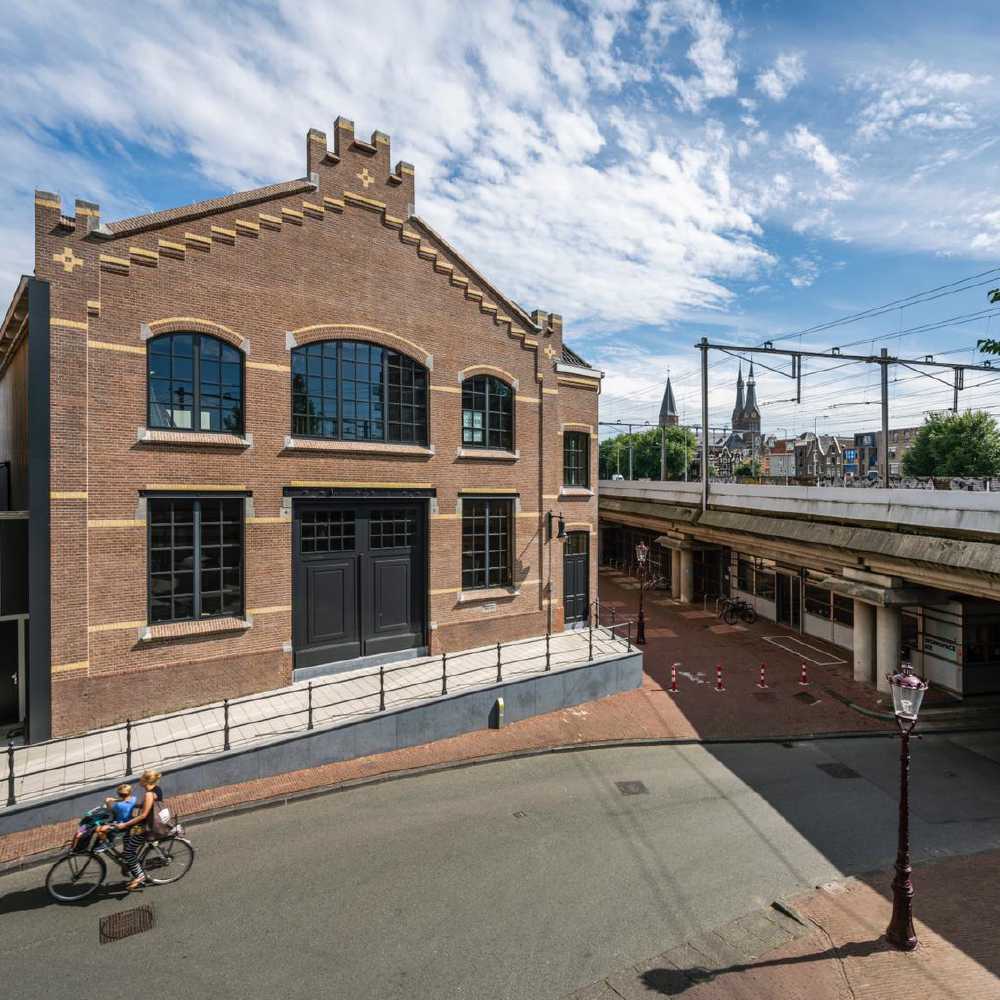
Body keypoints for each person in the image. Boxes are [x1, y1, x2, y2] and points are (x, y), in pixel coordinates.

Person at [113, 769, 163, 891]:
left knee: (129, 852)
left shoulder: (149, 794)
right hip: (148, 823)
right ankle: (130, 865)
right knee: (127, 839)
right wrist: (129, 803)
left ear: (146, 781)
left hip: (146, 828)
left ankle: (140, 876)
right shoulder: (156, 789)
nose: (139, 779)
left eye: (141, 778)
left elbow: (143, 815)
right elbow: (147, 806)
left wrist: (125, 825)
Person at [93, 783, 135, 853]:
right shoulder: (133, 799)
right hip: (129, 822)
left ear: (119, 794)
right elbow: (125, 800)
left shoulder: (119, 805)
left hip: (119, 825)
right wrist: (114, 800)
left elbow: (111, 813)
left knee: (98, 829)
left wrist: (107, 803)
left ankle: (108, 844)